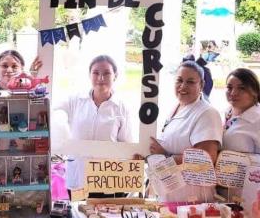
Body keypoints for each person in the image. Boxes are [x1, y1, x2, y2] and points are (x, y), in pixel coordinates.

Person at [55, 55, 134, 197]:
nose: (101, 78)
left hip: (107, 179)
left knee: (105, 217)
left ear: (115, 75)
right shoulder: (75, 100)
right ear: (89, 75)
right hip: (78, 176)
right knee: (78, 215)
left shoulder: (121, 107)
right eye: (96, 73)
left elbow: (126, 145)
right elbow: (52, 110)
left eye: (106, 73)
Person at [149, 60, 222, 202]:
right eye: (179, 80)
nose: (183, 86)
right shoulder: (176, 107)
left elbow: (206, 158)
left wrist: (165, 157)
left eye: (190, 82)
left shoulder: (207, 113)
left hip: (193, 198)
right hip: (170, 194)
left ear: (201, 85)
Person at [223, 68, 260, 153]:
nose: (233, 93)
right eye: (229, 87)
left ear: (255, 91)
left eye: (242, 88)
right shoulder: (228, 112)